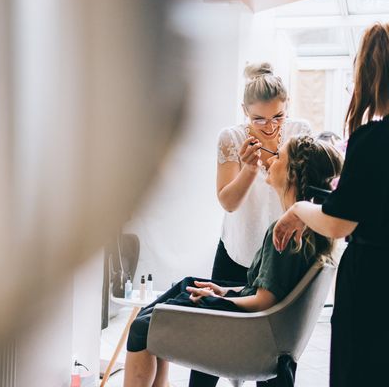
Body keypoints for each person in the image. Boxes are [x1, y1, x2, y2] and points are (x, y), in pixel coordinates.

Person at [123, 135, 342, 387]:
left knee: (143, 328)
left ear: (293, 174)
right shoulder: (311, 233)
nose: (271, 160)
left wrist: (220, 299)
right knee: (185, 287)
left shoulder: (284, 233)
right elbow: (269, 291)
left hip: (248, 332)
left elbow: (264, 300)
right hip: (258, 327)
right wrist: (223, 290)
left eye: (279, 156)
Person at [273, 23, 389, 387]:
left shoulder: (372, 140)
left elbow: (340, 223)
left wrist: (297, 211)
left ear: (368, 74)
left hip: (373, 283)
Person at [188, 63, 311, 386]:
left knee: (273, 350)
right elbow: (228, 202)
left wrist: (276, 164)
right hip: (236, 250)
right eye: (258, 119)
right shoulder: (230, 137)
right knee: (210, 342)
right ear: (244, 111)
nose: (269, 127)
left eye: (278, 116)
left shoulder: (301, 133)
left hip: (282, 258)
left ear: (288, 106)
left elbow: (301, 203)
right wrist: (249, 168)